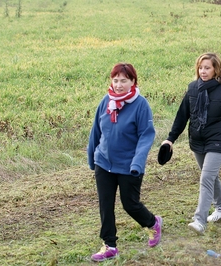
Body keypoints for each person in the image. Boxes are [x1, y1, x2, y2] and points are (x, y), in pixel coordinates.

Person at [161, 52, 221, 235]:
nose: (203, 71)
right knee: (210, 176)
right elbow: (182, 116)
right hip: (198, 139)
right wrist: (170, 139)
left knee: (206, 178)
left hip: (218, 140)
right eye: (200, 67)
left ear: (216, 69)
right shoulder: (193, 88)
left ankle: (200, 220)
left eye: (207, 68)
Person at [87, 63, 162, 262]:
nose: (119, 85)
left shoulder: (140, 105)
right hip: (104, 162)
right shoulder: (106, 101)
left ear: (133, 82)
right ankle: (109, 245)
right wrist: (91, 156)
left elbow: (146, 136)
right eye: (116, 80)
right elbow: (96, 130)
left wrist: (137, 163)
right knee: (105, 205)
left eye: (124, 80)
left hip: (129, 165)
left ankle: (153, 223)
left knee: (130, 204)